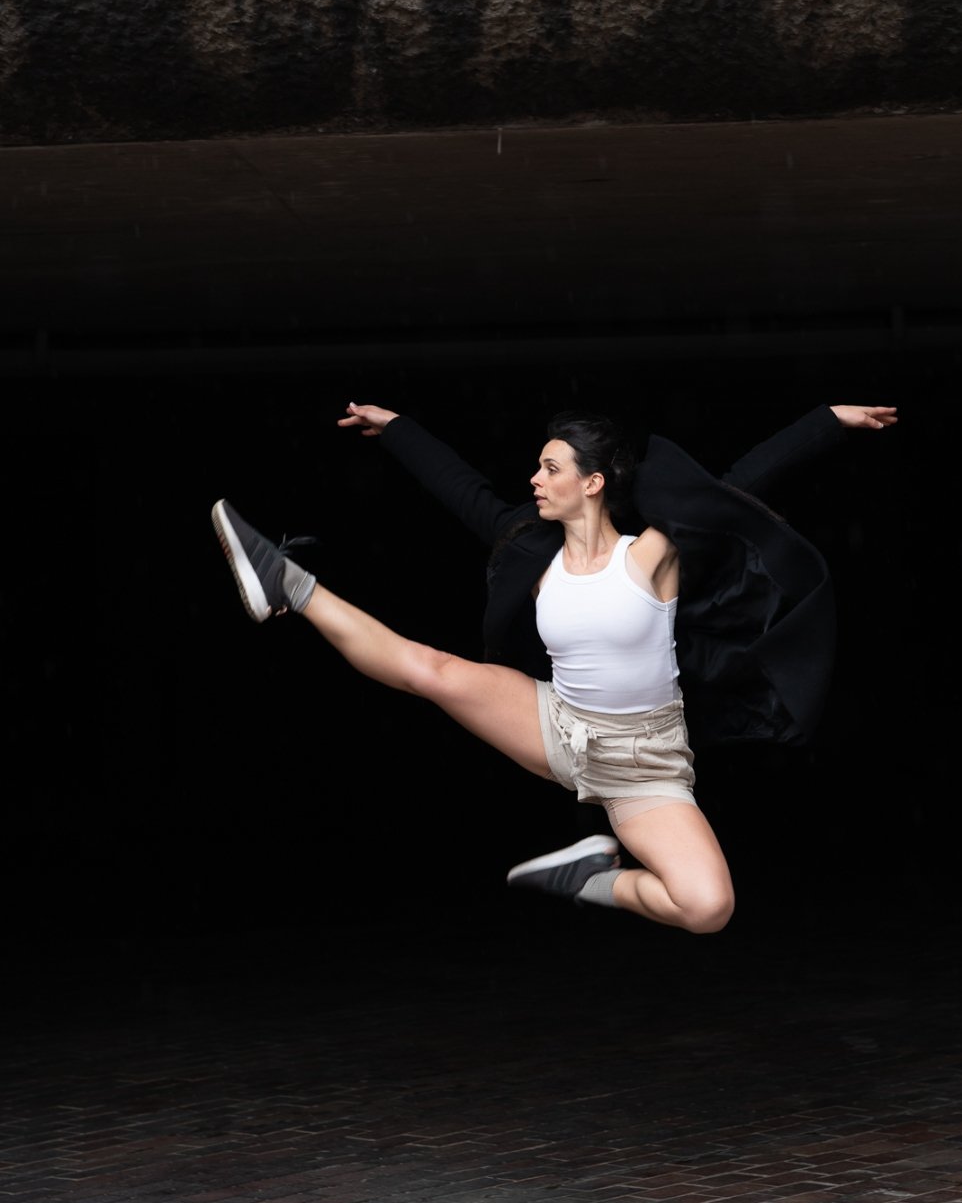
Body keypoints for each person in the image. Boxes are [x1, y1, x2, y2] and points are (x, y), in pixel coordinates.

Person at [211, 398, 897, 933]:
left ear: (592, 482)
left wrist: (824, 424)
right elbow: (463, 491)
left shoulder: (651, 556)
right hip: (556, 725)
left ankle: (587, 879)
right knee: (431, 670)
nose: (535, 479)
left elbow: (733, 485)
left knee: (708, 906)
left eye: (551, 468)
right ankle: (288, 583)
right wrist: (397, 429)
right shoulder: (531, 551)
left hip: (644, 765)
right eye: (537, 467)